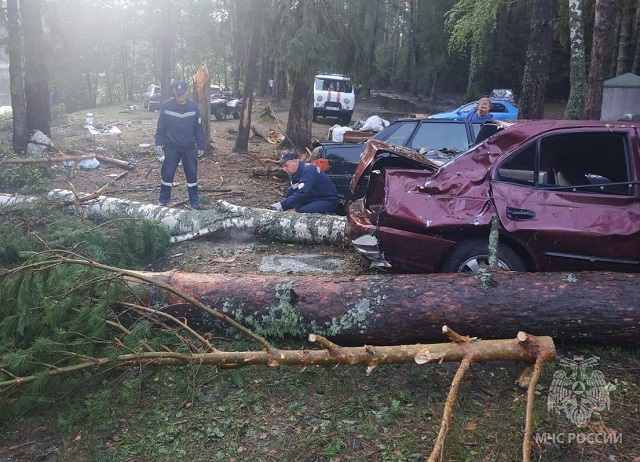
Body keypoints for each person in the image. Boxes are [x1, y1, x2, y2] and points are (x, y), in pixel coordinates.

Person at [154, 80, 205, 209]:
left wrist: (201, 144)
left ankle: (194, 202)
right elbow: (161, 127)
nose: (180, 96)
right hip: (171, 147)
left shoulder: (193, 107)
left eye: (182, 94)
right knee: (167, 173)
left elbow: (198, 128)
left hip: (189, 147)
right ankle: (163, 201)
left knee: (192, 174)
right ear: (174, 93)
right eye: (177, 94)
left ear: (186, 93)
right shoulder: (166, 106)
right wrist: (158, 143)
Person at [269, 151, 340, 213]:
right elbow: (291, 192)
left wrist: (281, 205)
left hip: (327, 200)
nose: (284, 169)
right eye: (282, 166)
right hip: (313, 198)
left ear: (294, 161)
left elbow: (302, 193)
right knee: (298, 207)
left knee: (304, 211)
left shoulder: (308, 170)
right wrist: (281, 206)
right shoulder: (293, 173)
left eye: (286, 165)